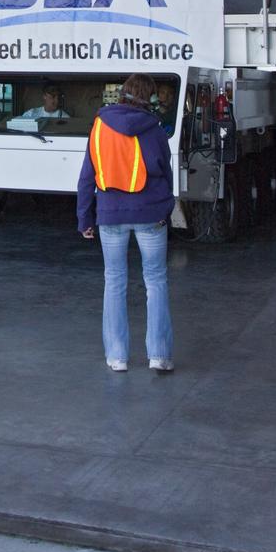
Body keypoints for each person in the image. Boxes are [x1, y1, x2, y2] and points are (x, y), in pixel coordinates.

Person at [77, 73, 175, 374]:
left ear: (121, 94)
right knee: (155, 281)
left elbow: (86, 176)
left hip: (110, 215)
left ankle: (117, 357)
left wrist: (85, 218)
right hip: (150, 215)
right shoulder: (154, 129)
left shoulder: (98, 127)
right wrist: (166, 208)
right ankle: (158, 355)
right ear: (151, 98)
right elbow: (163, 169)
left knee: (115, 281)